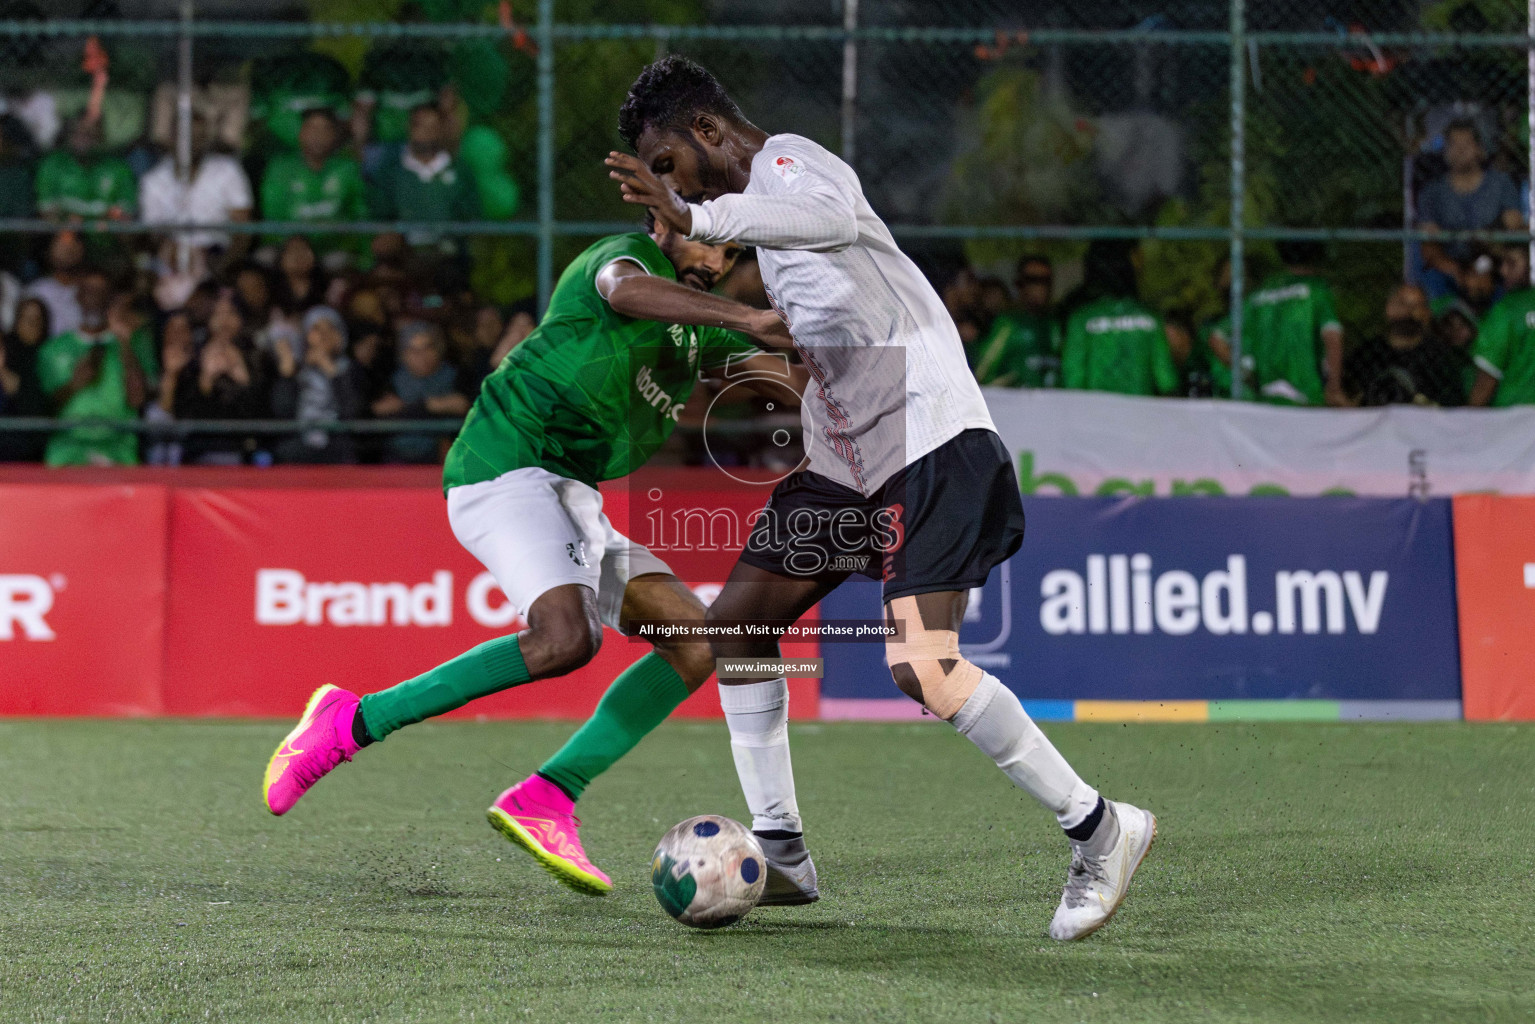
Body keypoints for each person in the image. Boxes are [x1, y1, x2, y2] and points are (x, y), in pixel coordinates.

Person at [610, 55, 1156, 940]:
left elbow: (823, 220)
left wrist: (697, 214)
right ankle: (782, 850)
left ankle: (1101, 828)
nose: (666, 188)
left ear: (706, 133)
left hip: (933, 441)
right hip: (846, 466)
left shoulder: (790, 164)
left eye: (667, 163)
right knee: (737, 630)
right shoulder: (761, 230)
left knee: (922, 666)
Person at [261, 217, 800, 899]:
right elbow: (627, 292)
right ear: (664, 222)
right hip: (506, 464)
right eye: (708, 241)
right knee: (564, 638)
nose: (718, 260)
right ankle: (353, 721)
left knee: (697, 642)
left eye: (730, 252)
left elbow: (782, 374)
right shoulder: (624, 258)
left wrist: (830, 350)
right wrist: (753, 315)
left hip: (569, 495)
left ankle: (546, 796)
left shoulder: (697, 335)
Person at [35, 271, 156, 466]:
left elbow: (138, 399)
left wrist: (124, 342)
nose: (94, 298)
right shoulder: (53, 349)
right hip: (68, 448)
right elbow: (43, 407)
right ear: (77, 296)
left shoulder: (135, 342)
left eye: (101, 292)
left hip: (118, 448)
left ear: (110, 299)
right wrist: (73, 385)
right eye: (88, 291)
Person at [1417, 119, 1524, 300]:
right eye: (1453, 144)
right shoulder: (1432, 193)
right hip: (1451, 266)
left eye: (1466, 144)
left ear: (1479, 149)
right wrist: (1458, 271)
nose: (1459, 150)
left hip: (1492, 260)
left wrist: (1487, 259)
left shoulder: (1501, 184)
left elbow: (1514, 226)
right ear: (1445, 151)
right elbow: (1429, 244)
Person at [1060, 240, 1179, 397]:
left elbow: (1072, 380)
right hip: (1139, 415)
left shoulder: (1081, 319)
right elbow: (1166, 380)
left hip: (1094, 416)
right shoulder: (1150, 319)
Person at [139, 110, 255, 270]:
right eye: (185, 137)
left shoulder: (228, 170)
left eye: (198, 137)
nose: (190, 144)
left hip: (216, 254)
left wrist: (224, 266)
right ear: (171, 138)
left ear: (207, 140)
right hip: (171, 256)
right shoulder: (153, 180)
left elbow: (243, 230)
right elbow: (153, 234)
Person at [367, 103, 480, 258]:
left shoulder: (460, 171)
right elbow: (380, 213)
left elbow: (470, 215)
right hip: (401, 253)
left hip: (447, 253)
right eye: (420, 126)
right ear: (409, 128)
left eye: (432, 127)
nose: (426, 133)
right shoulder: (390, 172)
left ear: (441, 130)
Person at [1245, 239, 1348, 407]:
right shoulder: (1317, 290)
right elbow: (1332, 338)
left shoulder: (1259, 294)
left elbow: (1230, 341)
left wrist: (1250, 379)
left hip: (1265, 395)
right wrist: (1334, 389)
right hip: (1306, 393)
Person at [260, 109, 367, 266]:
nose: (318, 136)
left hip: (333, 246)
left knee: (341, 262)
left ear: (335, 135)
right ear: (300, 132)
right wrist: (298, 244)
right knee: (265, 258)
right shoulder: (280, 167)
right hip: (286, 245)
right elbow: (273, 212)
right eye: (312, 128)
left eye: (326, 129)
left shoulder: (347, 168)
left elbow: (358, 211)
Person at [270, 305, 365, 463]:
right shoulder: (295, 368)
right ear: (307, 335)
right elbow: (282, 412)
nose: (323, 336)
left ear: (340, 335)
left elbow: (352, 412)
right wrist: (288, 376)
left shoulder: (351, 369)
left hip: (337, 446)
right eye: (316, 329)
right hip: (298, 445)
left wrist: (332, 371)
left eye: (330, 329)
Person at [1346, 283, 1466, 407]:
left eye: (1416, 306)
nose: (1408, 311)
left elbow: (1453, 407)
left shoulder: (1440, 358)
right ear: (1389, 307)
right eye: (1402, 303)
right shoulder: (1366, 355)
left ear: (1427, 313)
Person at [372, 320, 470, 463]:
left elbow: (463, 405)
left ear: (438, 349)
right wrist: (430, 405)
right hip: (397, 459)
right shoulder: (391, 379)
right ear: (403, 354)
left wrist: (408, 407)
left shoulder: (455, 375)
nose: (422, 356)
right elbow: (378, 410)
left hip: (443, 459)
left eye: (428, 348)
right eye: (414, 351)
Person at [972, 255, 1060, 388]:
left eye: (1045, 281)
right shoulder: (1008, 324)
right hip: (1016, 405)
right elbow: (982, 372)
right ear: (1019, 284)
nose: (1039, 287)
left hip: (1055, 403)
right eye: (1032, 280)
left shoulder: (1054, 325)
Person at [34, 115, 136, 223]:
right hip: (65, 234)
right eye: (77, 133)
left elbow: (125, 218)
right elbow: (47, 214)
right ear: (68, 136)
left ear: (101, 136)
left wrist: (101, 221)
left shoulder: (119, 168)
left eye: (89, 134)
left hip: (106, 235)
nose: (82, 139)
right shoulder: (52, 165)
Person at [1469, 245, 1535, 407]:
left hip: (1511, 418)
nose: (1503, 271)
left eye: (1512, 263)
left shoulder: (1506, 309)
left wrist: (1468, 422)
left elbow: (1487, 379)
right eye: (1502, 263)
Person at [0, 296, 50, 461]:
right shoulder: (8, 348)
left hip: (34, 442)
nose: (32, 323)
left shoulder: (50, 353)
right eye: (26, 318)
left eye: (37, 319)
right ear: (17, 320)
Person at [24, 230, 86, 335]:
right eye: (62, 242)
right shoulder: (35, 292)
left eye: (74, 242)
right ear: (49, 249)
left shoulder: (91, 291)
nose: (68, 249)